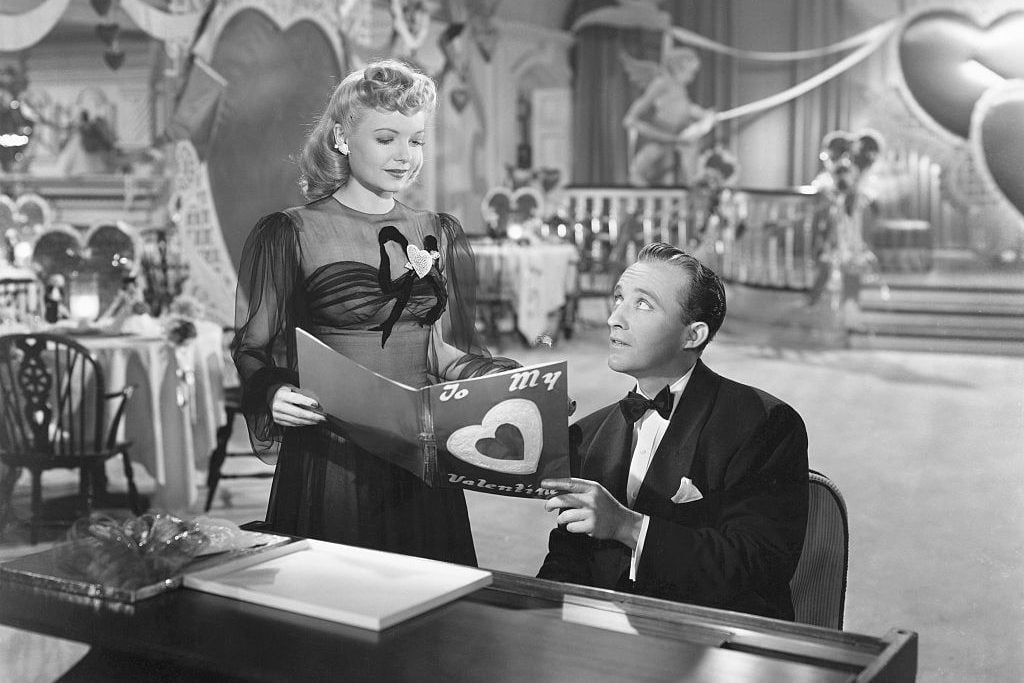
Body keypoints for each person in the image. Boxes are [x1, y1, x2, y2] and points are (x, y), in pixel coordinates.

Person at [232, 60, 518, 566]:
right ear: (342, 138)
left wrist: (503, 381)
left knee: (427, 609)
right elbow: (252, 347)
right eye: (387, 139)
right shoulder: (291, 232)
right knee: (340, 610)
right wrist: (273, 391)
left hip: (420, 451)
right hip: (333, 455)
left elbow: (437, 348)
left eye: (417, 140)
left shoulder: (436, 229)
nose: (405, 157)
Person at [537, 243, 808, 620]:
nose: (616, 318)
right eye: (618, 298)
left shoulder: (765, 424)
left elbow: (759, 566)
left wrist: (628, 527)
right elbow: (566, 564)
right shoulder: (587, 434)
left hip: (715, 644)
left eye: (643, 304)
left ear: (692, 335)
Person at [622, 47, 716, 187]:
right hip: (663, 128)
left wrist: (704, 114)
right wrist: (632, 116)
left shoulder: (680, 88)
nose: (692, 77)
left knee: (690, 149)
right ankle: (636, 174)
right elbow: (645, 101)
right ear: (679, 68)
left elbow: (686, 107)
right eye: (691, 72)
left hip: (680, 130)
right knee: (651, 152)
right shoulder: (662, 83)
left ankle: (693, 181)